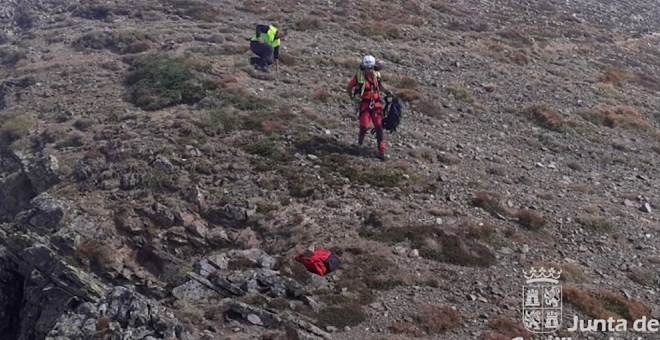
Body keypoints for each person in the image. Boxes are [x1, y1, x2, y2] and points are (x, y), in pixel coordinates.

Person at [346, 55, 391, 160]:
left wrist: (388, 93)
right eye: (367, 68)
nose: (369, 70)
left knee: (379, 126)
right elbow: (349, 87)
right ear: (363, 67)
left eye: (371, 68)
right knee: (364, 126)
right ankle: (360, 144)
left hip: (376, 104)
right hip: (365, 104)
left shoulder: (377, 76)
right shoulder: (359, 77)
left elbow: (379, 86)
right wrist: (352, 97)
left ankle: (381, 150)